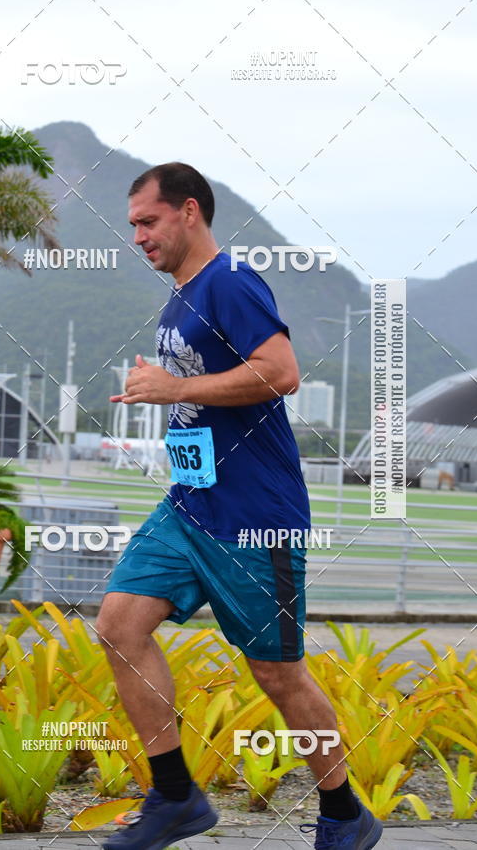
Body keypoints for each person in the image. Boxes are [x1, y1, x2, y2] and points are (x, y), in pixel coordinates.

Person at [96, 163, 383, 850]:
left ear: (188, 211)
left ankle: (344, 811)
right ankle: (175, 797)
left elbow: (280, 373)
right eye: (133, 223)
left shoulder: (230, 283)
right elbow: (193, 392)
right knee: (118, 625)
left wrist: (169, 388)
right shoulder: (178, 302)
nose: (137, 235)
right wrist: (157, 388)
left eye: (148, 220)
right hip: (191, 506)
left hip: (257, 518)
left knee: (278, 674)